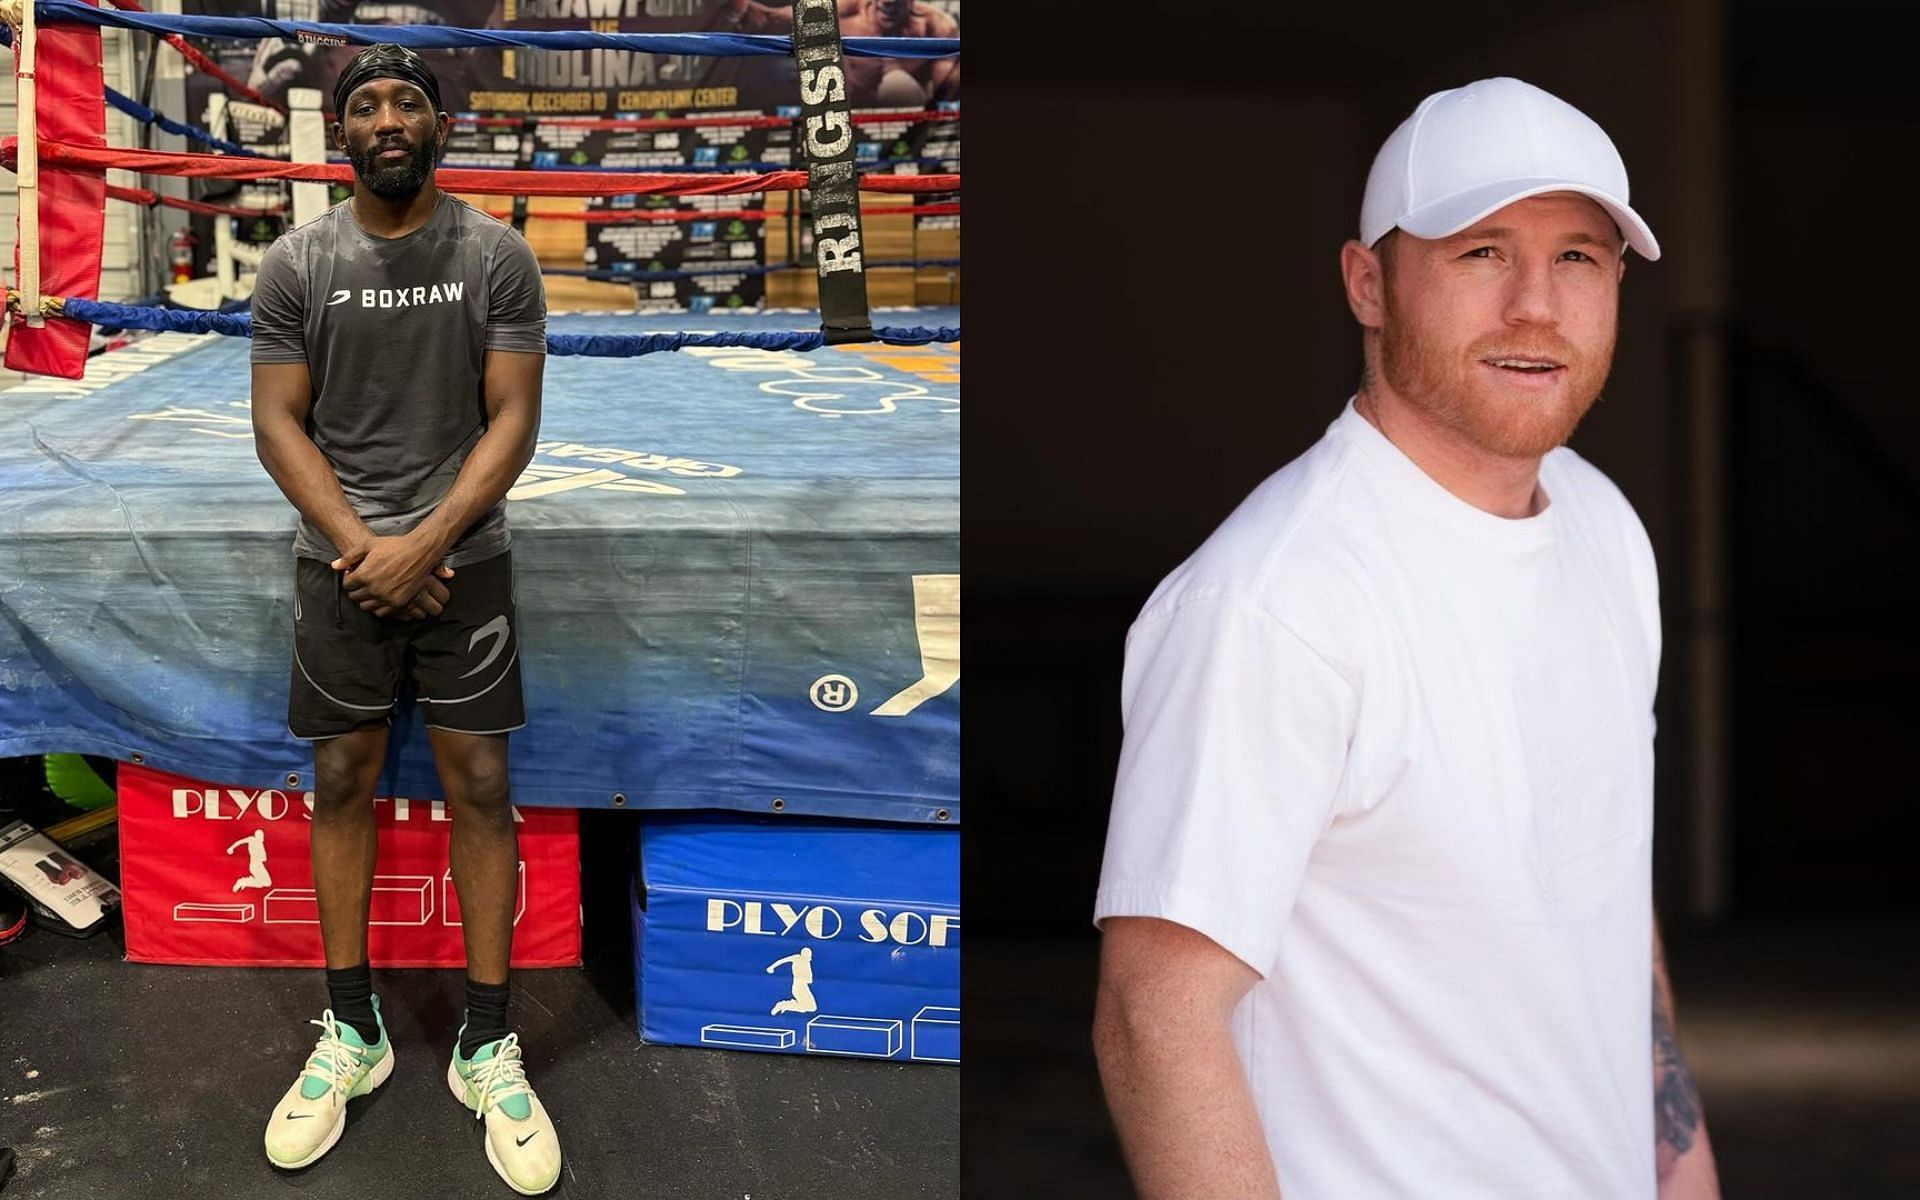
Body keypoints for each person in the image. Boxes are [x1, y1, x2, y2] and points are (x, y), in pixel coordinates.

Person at [1091, 77, 1722, 1199]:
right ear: (1368, 284)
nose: (1537, 304)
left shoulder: (1602, 526)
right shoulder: (1276, 603)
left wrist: (1683, 1169)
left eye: (1580, 257)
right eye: (1481, 252)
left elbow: (1606, 895)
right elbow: (1157, 1021)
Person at [248, 43, 560, 1196]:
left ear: (440, 125)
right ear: (344, 132)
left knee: (480, 784)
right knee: (343, 778)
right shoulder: (297, 261)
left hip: (460, 561)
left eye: (407, 102)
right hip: (342, 563)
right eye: (365, 104)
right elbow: (279, 424)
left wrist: (421, 545)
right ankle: (353, 1033)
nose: (387, 118)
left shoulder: (497, 255)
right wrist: (363, 550)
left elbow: (513, 420)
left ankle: (488, 1042)